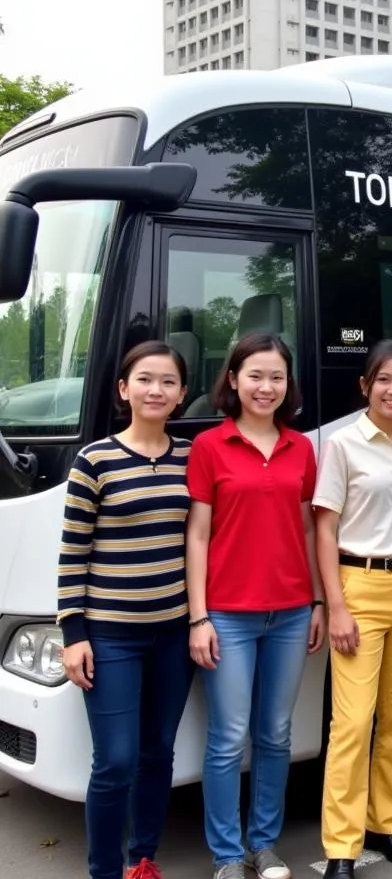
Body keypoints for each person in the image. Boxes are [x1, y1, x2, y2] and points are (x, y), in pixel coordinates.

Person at [186, 333, 325, 879]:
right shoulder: (210, 447)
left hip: (291, 612)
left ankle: (263, 844)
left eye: (277, 377)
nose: (266, 386)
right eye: (255, 376)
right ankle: (225, 855)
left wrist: (316, 599)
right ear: (234, 380)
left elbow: (311, 529)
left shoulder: (301, 448)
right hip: (227, 615)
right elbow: (197, 535)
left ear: (287, 385)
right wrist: (199, 616)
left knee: (276, 734)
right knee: (227, 738)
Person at [57, 340, 195, 879]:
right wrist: (74, 634)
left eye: (167, 382)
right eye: (144, 379)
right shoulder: (95, 461)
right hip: (111, 637)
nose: (155, 390)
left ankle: (143, 860)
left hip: (175, 635)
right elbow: (72, 555)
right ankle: (104, 871)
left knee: (158, 752)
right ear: (123, 389)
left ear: (182, 394)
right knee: (115, 761)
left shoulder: (191, 458)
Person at [313, 339, 392, 878]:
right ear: (365, 385)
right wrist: (335, 604)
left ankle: (385, 823)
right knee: (352, 723)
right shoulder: (342, 445)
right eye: (384, 379)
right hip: (359, 587)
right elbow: (323, 527)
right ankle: (341, 846)